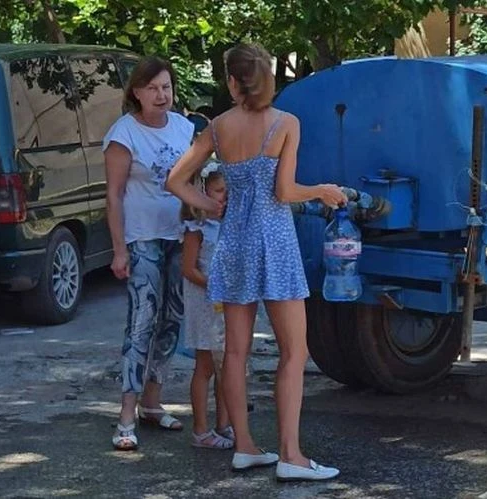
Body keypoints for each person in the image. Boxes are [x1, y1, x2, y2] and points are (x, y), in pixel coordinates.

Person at [166, 43, 347, 481]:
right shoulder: (286, 123)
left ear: (231, 81)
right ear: (268, 79)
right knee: (293, 351)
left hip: (234, 244)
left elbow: (176, 180)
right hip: (276, 243)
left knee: (236, 351)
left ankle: (244, 445)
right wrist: (320, 190)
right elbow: (284, 193)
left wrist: (210, 208)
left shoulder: (219, 127)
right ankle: (291, 455)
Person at [104, 56, 198, 451]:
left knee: (173, 321)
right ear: (136, 93)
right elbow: (114, 194)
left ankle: (153, 402)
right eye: (153, 88)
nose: (161, 95)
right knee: (141, 322)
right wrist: (119, 249)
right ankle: (126, 415)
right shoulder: (123, 134)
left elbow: (195, 181)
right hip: (143, 238)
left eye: (167, 87)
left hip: (179, 234)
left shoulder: (185, 128)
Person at [180, 163, 234, 450]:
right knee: (205, 366)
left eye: (227, 192)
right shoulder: (196, 229)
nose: (224, 198)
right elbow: (189, 269)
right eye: (218, 191)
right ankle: (201, 430)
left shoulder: (227, 225)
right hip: (205, 302)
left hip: (226, 301)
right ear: (202, 191)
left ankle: (224, 424)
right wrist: (215, 287)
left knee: (228, 363)